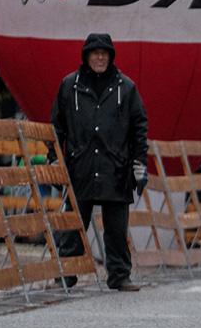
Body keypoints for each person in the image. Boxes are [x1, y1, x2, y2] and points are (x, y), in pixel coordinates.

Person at [49, 33, 148, 292]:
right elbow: (55, 127)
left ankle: (119, 276)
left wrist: (139, 164)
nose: (100, 57)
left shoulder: (126, 88)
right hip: (79, 168)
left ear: (111, 56)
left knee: (116, 229)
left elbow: (139, 128)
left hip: (115, 169)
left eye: (105, 53)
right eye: (95, 53)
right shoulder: (68, 86)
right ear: (86, 56)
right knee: (72, 227)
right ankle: (65, 276)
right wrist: (53, 160)